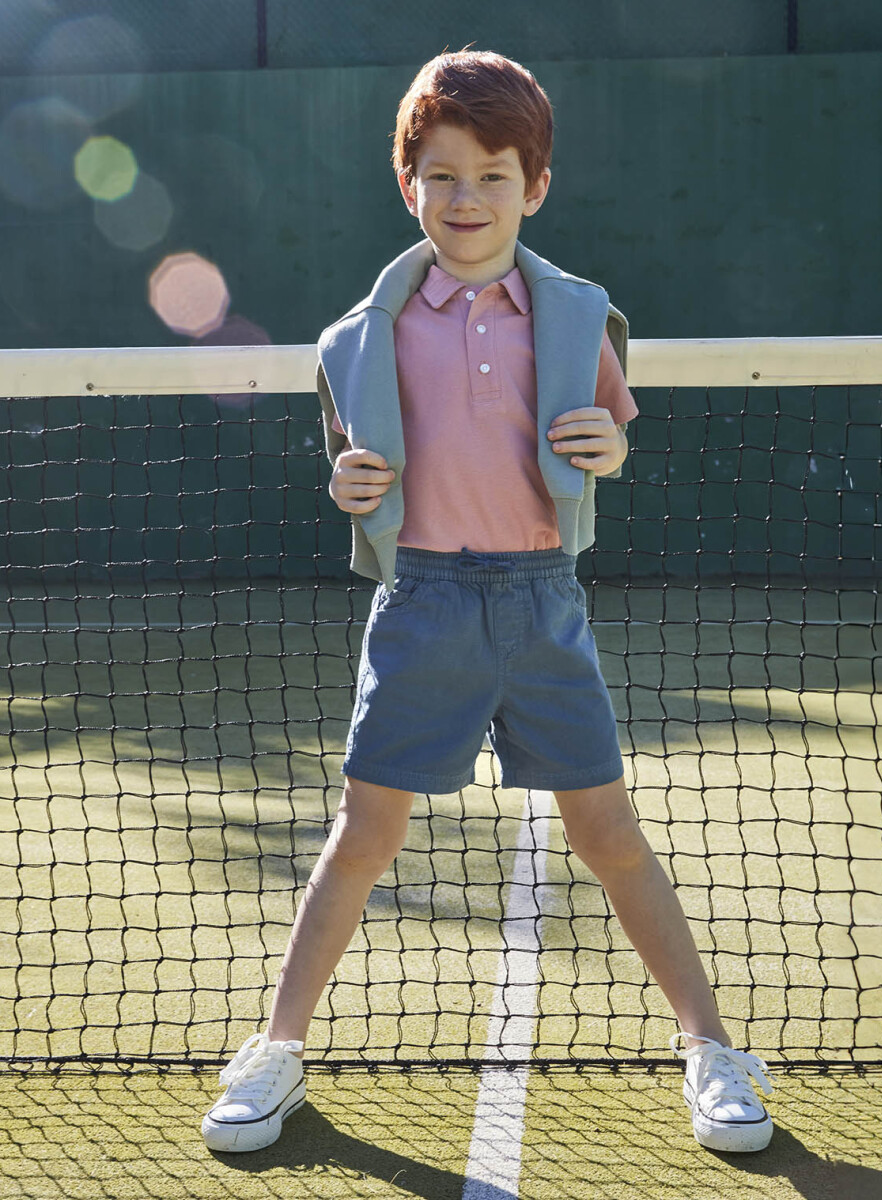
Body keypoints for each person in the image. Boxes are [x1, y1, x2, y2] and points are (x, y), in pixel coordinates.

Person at [202, 48, 774, 1156]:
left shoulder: (580, 316)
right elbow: (353, 467)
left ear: (537, 185)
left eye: (495, 175)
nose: (468, 199)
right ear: (407, 182)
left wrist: (607, 446)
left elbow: (609, 432)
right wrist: (345, 483)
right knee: (364, 837)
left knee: (610, 834)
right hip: (419, 605)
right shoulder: (360, 337)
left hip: (541, 605)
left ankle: (710, 1051)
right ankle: (276, 1050)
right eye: (443, 174)